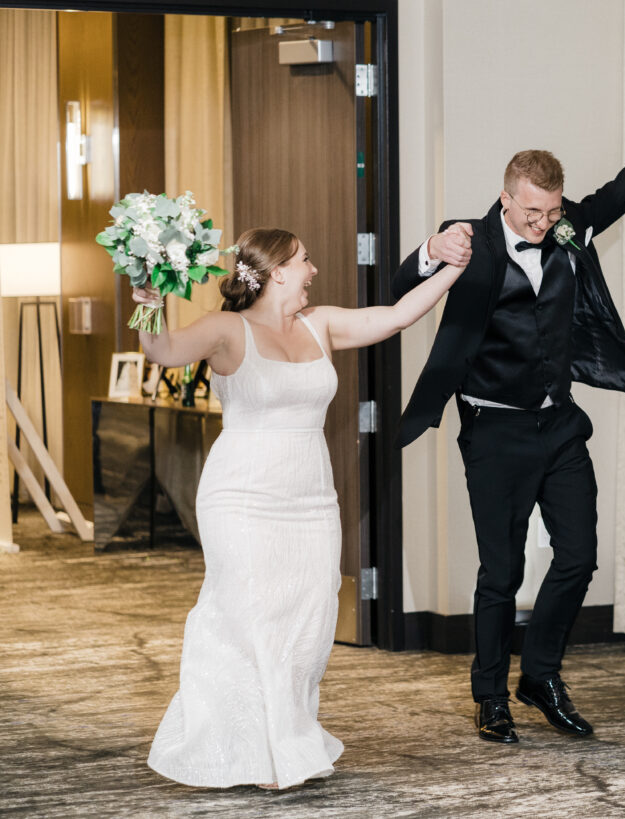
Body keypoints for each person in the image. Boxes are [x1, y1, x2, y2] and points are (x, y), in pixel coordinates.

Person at [393, 51, 625, 743]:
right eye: (532, 212)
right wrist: (429, 246)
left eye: (551, 212)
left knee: (578, 556)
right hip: (494, 430)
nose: (543, 224)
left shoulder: (570, 225)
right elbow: (397, 287)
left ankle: (539, 674)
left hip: (559, 426)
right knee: (501, 571)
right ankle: (491, 696)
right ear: (506, 197)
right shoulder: (470, 243)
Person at [136, 228, 464, 788]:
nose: (314, 269)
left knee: (308, 622)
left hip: (310, 499)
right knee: (252, 613)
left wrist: (456, 266)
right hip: (241, 496)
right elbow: (162, 352)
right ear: (278, 271)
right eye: (305, 260)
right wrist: (145, 296)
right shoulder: (226, 328)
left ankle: (285, 740)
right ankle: (250, 750)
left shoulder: (322, 324)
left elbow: (400, 315)